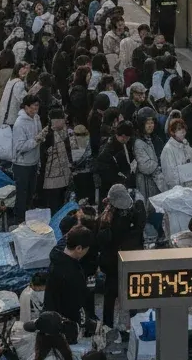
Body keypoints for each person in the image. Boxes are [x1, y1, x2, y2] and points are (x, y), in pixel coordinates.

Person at [97, 183, 146, 328]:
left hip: (113, 261)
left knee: (111, 295)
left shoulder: (107, 216)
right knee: (131, 292)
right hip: (128, 260)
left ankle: (108, 324)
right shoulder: (136, 211)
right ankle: (133, 323)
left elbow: (102, 240)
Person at [42, 225, 95, 332]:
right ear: (79, 248)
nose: (86, 253)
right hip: (63, 324)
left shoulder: (57, 254)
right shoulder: (71, 274)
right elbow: (74, 306)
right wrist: (85, 323)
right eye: (86, 250)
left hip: (50, 314)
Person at [12, 93, 45, 223]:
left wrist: (42, 136)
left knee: (31, 192)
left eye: (37, 106)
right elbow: (20, 146)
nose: (35, 109)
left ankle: (28, 218)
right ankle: (19, 219)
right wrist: (36, 140)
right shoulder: (19, 124)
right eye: (33, 107)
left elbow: (39, 135)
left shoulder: (36, 118)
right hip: (22, 164)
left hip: (34, 162)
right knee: (22, 193)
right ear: (26, 107)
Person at [38, 107, 77, 214]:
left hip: (63, 173)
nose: (65, 121)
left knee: (60, 201)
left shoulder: (65, 132)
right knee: (54, 203)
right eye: (62, 118)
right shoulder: (47, 134)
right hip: (52, 176)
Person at [132, 108, 166, 204]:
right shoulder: (138, 142)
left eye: (152, 122)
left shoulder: (157, 139)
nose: (150, 126)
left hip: (159, 180)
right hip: (145, 182)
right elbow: (145, 167)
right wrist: (158, 163)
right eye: (147, 123)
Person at [160, 116, 192, 190]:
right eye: (179, 129)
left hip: (190, 188)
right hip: (178, 190)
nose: (182, 131)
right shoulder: (168, 150)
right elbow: (170, 176)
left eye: (183, 128)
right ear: (172, 132)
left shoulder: (187, 147)